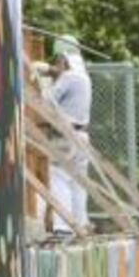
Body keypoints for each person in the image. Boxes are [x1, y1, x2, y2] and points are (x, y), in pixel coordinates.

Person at [46, 35, 92, 235]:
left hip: (65, 136)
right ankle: (80, 224)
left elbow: (48, 100)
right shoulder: (83, 77)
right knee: (78, 183)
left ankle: (63, 227)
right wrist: (50, 71)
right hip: (82, 136)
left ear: (64, 58)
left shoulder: (68, 78)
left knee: (59, 177)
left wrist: (44, 78)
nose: (57, 63)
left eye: (57, 59)